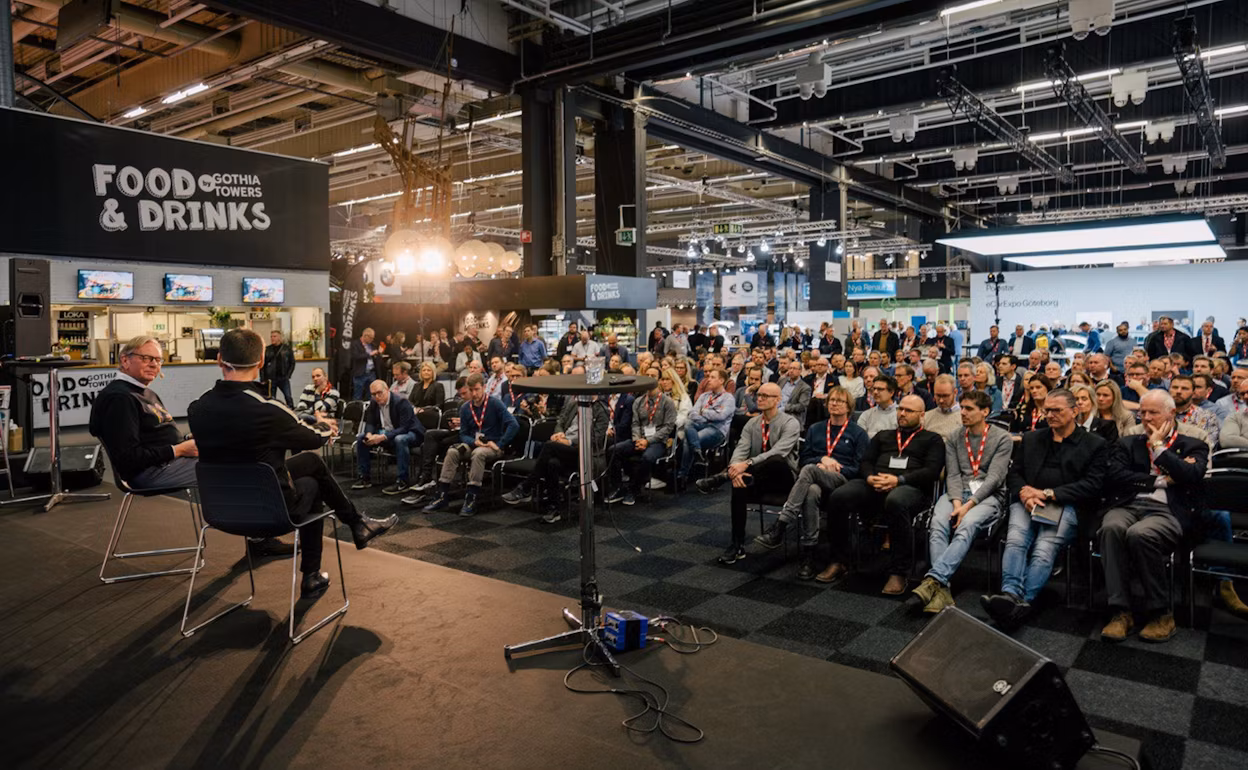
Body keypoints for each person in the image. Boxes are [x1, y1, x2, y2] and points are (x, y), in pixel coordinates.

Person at [188, 328, 396, 599]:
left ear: (219, 360)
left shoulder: (197, 408)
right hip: (269, 512)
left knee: (307, 463)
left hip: (220, 510)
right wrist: (324, 426)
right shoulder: (268, 409)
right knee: (312, 482)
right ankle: (316, 569)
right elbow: (313, 438)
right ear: (261, 361)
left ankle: (354, 527)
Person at [981, 389, 1108, 627]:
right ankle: (1010, 594)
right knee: (1016, 540)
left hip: (1065, 504)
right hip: (1028, 501)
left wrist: (1048, 494)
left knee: (1044, 548)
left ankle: (1021, 602)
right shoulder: (1032, 438)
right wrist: (1024, 493)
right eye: (1047, 410)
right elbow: (1014, 473)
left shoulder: (1094, 444)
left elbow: (1092, 485)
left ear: (1074, 411)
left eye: (1056, 410)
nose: (1050, 415)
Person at [1097, 390, 1207, 644]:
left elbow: (1190, 476)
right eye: (1142, 412)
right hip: (1128, 505)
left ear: (1171, 413)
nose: (1145, 418)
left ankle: (1161, 613)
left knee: (1140, 534)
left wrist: (1158, 447)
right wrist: (1160, 480)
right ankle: (1121, 611)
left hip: (1168, 511)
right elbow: (1115, 476)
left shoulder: (1194, 444)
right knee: (1111, 528)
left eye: (1153, 413)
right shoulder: (1128, 442)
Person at [816, 395, 945, 593]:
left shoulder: (932, 439)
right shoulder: (884, 435)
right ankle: (839, 560)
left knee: (895, 501)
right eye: (900, 409)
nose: (902, 413)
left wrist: (898, 480)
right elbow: (866, 461)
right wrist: (869, 478)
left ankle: (898, 571)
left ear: (922, 415)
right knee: (839, 497)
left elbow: (932, 471)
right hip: (875, 482)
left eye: (909, 411)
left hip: (911, 487)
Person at [911, 390, 1012, 613]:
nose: (963, 413)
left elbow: (995, 478)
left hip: (988, 496)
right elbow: (954, 475)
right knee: (938, 523)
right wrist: (957, 503)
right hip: (957, 494)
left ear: (985, 412)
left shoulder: (1002, 438)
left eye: (969, 409)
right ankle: (942, 590)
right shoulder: (955, 437)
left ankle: (934, 579)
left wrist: (968, 505)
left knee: (967, 524)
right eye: (962, 408)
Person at [753, 387, 867, 579]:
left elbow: (858, 468)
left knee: (810, 470)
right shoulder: (816, 429)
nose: (834, 404)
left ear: (849, 407)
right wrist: (822, 460)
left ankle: (781, 525)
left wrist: (835, 467)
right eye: (831, 400)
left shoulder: (858, 433)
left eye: (840, 401)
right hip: (814, 476)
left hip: (842, 479)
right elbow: (804, 459)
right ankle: (809, 554)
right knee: (811, 491)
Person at [695, 382, 800, 565]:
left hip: (784, 479)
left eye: (766, 396)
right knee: (739, 486)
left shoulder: (790, 423)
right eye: (759, 395)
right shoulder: (752, 423)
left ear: (778, 399)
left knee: (775, 459)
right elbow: (741, 449)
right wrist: (735, 470)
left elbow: (779, 452)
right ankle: (737, 545)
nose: (760, 398)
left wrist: (747, 464)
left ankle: (722, 477)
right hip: (755, 478)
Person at [89, 335, 199, 490]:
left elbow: (154, 436)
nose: (154, 364)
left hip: (167, 462)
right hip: (149, 472)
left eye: (158, 360)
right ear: (125, 360)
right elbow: (128, 458)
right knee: (228, 465)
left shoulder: (144, 392)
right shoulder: (119, 398)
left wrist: (186, 440)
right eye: (146, 358)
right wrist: (178, 450)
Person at [503, 391, 609, 523]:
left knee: (549, 447)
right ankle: (553, 508)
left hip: (585, 453)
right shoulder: (574, 404)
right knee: (552, 463)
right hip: (564, 447)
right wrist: (559, 433)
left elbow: (595, 440)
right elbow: (560, 422)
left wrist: (569, 442)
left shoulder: (602, 410)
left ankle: (526, 487)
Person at [422, 373, 519, 516]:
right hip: (474, 444)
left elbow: (513, 425)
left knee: (478, 454)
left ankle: (471, 498)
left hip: (492, 446)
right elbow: (463, 434)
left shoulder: (494, 404)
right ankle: (442, 495)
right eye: (471, 390)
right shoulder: (466, 407)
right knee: (453, 451)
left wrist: (500, 444)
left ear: (484, 387)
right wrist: (473, 441)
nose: (474, 394)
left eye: (477, 389)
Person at [605, 377, 676, 506]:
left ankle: (634, 488)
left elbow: (668, 427)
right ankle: (618, 487)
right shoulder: (638, 401)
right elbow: (635, 423)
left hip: (658, 441)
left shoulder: (667, 402)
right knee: (613, 450)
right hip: (639, 438)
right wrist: (637, 439)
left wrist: (648, 441)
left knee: (647, 457)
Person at [352, 379, 422, 496]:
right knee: (362, 438)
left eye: (380, 393)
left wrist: (383, 437)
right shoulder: (374, 402)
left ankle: (403, 481)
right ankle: (364, 477)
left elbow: (404, 427)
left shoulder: (401, 402)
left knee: (400, 439)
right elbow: (370, 422)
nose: (377, 396)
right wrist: (369, 434)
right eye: (373, 394)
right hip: (388, 432)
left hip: (411, 432)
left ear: (387, 390)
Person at [405, 377, 469, 494]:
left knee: (431, 445)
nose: (462, 396)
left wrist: (463, 423)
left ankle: (427, 478)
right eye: (460, 394)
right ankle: (426, 476)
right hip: (458, 431)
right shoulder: (462, 404)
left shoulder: (479, 403)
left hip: (467, 435)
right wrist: (455, 424)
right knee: (430, 435)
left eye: (464, 393)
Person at [678, 368, 734, 484]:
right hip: (700, 425)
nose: (708, 380)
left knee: (689, 440)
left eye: (713, 377)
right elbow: (692, 413)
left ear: (721, 380)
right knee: (688, 423)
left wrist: (703, 412)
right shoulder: (704, 396)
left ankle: (682, 476)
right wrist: (709, 416)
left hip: (717, 430)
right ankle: (697, 455)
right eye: (708, 377)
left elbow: (721, 416)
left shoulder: (728, 398)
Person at [1169, 375, 1220, 448]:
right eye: (1175, 387)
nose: (1178, 391)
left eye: (1184, 388)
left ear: (1193, 393)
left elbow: (1209, 445)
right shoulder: (1157, 413)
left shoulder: (1207, 417)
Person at [857, 374, 898, 438]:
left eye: (880, 389)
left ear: (891, 392)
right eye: (874, 389)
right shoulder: (866, 415)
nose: (875, 392)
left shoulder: (901, 415)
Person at [262, 330, 296, 407]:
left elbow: (292, 363)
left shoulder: (287, 349)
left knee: (288, 396)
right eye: (271, 336)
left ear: (279, 338)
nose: (272, 338)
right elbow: (263, 365)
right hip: (271, 378)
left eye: (274, 336)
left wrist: (288, 375)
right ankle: (272, 411)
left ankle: (291, 410)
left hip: (283, 377)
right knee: (271, 398)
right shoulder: (267, 350)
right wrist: (263, 379)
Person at [923, 375, 962, 440]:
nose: (941, 400)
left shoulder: (964, 417)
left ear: (955, 392)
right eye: (938, 395)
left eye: (945, 396)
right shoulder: (926, 417)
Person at [778, 359, 812, 427]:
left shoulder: (805, 387)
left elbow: (802, 406)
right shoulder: (782, 380)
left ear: (800, 371)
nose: (791, 371)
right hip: (776, 411)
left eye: (794, 368)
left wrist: (784, 408)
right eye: (790, 368)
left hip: (791, 415)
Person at [350, 327, 378, 400]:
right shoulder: (355, 344)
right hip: (360, 373)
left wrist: (378, 354)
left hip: (371, 373)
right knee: (357, 396)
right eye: (371, 338)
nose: (372, 340)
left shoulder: (372, 345)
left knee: (372, 395)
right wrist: (370, 354)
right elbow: (356, 356)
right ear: (365, 336)